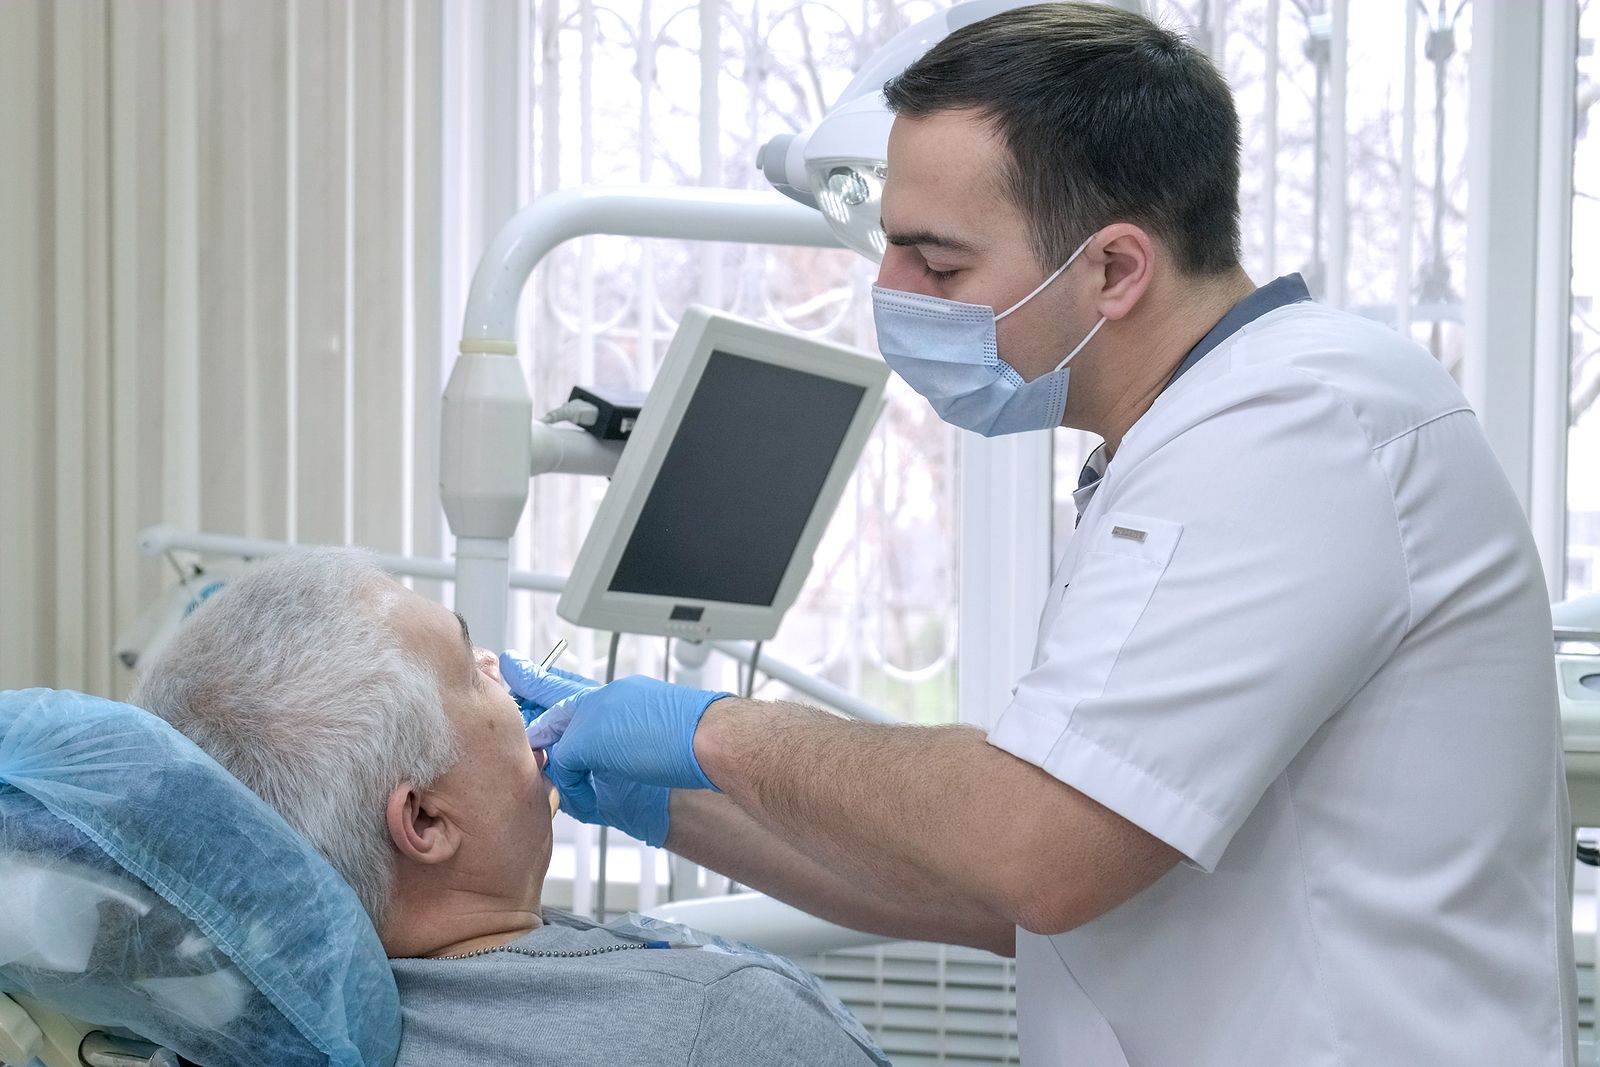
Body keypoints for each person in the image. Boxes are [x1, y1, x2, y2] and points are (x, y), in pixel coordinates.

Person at [505, 4, 1577, 1064]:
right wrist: (674, 804)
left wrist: (714, 732)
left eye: (939, 263)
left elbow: (1035, 849)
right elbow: (1010, 891)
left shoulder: (1294, 429)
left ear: (1114, 269)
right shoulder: (1177, 442)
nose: (889, 292)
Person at [130, 549, 885, 1067]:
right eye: (469, 667)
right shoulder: (712, 1024)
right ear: (425, 820)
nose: (500, 664)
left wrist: (674, 804)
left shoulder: (213, 1037)